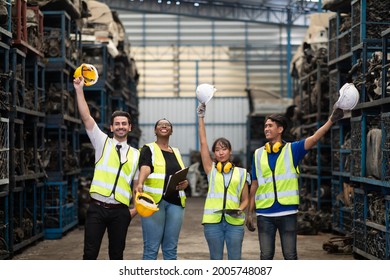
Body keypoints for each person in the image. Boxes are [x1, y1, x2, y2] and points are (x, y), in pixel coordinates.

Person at [246, 107, 344, 260]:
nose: (266, 128)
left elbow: (314, 138)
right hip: (264, 214)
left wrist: (331, 120)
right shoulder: (258, 154)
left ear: (280, 129)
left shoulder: (293, 150)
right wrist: (249, 212)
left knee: (290, 256)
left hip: (287, 213)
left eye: (270, 125)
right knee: (265, 256)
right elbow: (254, 184)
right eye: (265, 126)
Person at [73, 77, 140, 260]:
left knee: (117, 255)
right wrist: (79, 89)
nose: (120, 126)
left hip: (120, 211)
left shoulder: (136, 154)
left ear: (129, 127)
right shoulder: (102, 142)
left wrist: (134, 209)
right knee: (90, 254)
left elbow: (136, 185)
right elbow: (86, 117)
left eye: (124, 124)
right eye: (117, 124)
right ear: (111, 127)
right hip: (97, 208)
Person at [197, 103, 249, 260]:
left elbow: (246, 199)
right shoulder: (211, 170)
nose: (220, 152)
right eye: (217, 150)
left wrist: (240, 209)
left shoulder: (242, 173)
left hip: (235, 223)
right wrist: (201, 117)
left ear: (230, 151)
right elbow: (203, 142)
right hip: (213, 222)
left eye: (224, 148)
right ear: (214, 153)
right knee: (216, 260)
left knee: (235, 260)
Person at [134, 118, 189, 260]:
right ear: (155, 130)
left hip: (176, 203)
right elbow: (145, 167)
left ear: (171, 131)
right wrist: (140, 182)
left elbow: (180, 174)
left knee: (171, 249)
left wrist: (185, 183)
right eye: (160, 124)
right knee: (151, 248)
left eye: (167, 124)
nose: (164, 126)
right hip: (154, 204)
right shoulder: (149, 148)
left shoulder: (176, 152)